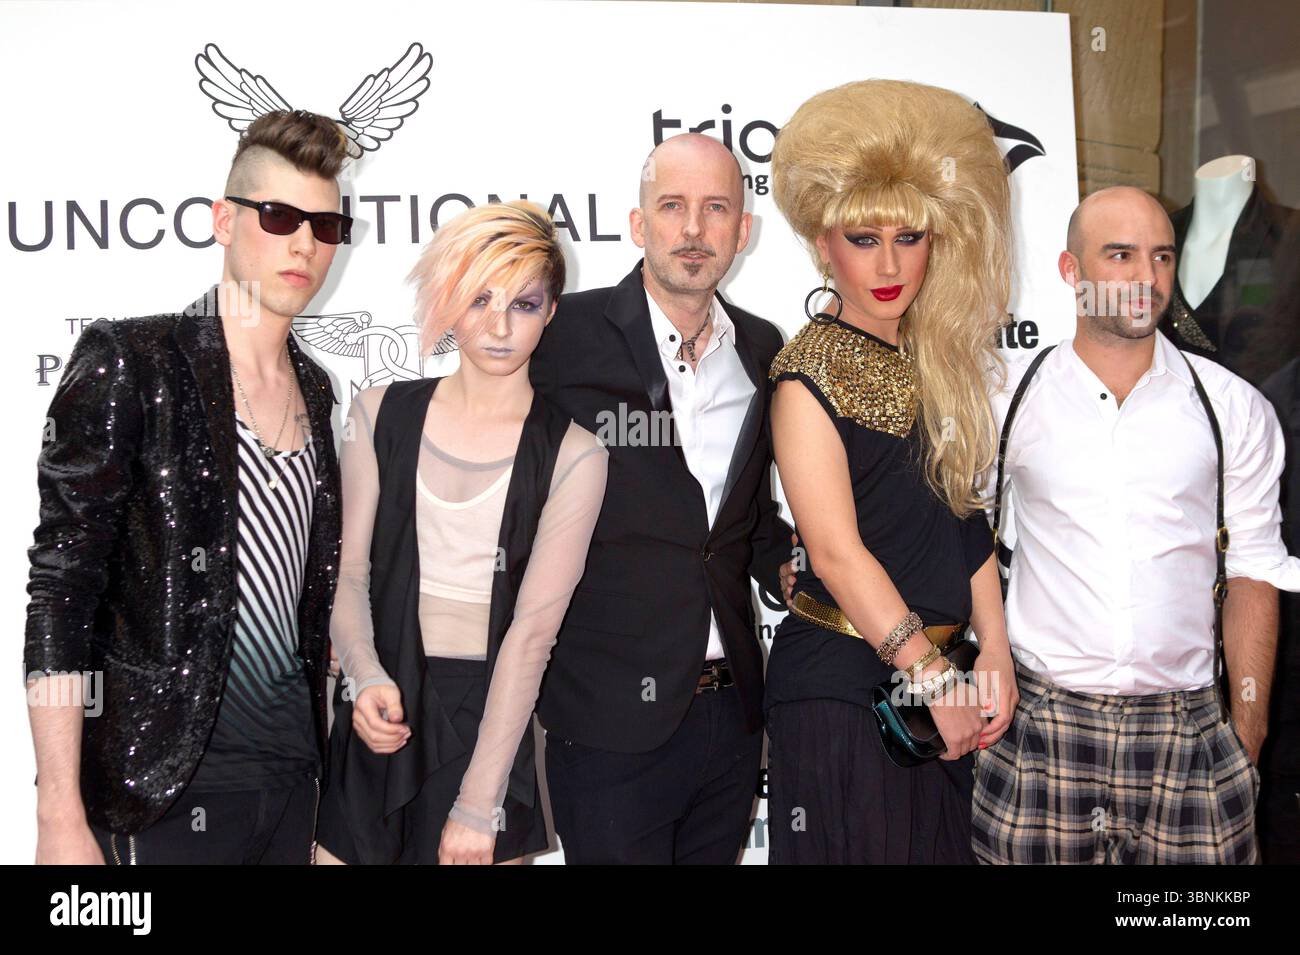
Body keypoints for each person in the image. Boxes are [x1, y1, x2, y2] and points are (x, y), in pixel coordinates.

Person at [24, 109, 352, 864]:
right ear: (223, 221)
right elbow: (62, 590)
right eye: (279, 216)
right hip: (157, 790)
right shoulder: (133, 360)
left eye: (326, 227)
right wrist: (57, 813)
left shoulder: (319, 388)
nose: (304, 242)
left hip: (292, 787)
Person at [972, 186, 1300, 864]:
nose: (1144, 278)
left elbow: (1255, 570)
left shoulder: (1231, 408)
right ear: (1071, 272)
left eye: (1160, 257)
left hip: (1191, 733)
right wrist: (992, 654)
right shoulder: (1005, 398)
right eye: (1119, 255)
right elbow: (966, 537)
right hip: (1042, 727)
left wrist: (1246, 731)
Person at [766, 79, 1019, 864]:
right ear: (822, 245)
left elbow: (963, 516)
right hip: (844, 688)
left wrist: (998, 653)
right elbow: (837, 554)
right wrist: (937, 683)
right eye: (863, 238)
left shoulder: (936, 361)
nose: (888, 262)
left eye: (908, 237)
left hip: (935, 680)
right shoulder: (804, 374)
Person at [528, 133, 793, 864]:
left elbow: (741, 521)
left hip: (733, 717)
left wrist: (796, 571)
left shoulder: (764, 351)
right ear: (640, 225)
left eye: (716, 209)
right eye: (672, 206)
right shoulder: (562, 335)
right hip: (608, 721)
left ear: (744, 230)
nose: (694, 229)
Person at [316, 201, 608, 865]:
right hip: (378, 708)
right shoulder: (377, 412)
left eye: (525, 303)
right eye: (479, 299)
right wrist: (363, 679)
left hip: (489, 729)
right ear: (449, 300)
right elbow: (349, 573)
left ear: (552, 311)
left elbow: (532, 635)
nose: (501, 326)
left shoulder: (576, 454)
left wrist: (480, 803)